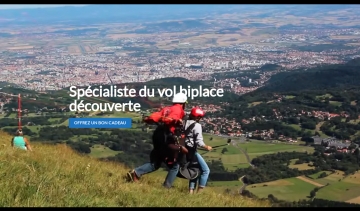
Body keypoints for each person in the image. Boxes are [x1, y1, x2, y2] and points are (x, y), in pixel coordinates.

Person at [127, 92, 188, 188]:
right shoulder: (178, 109)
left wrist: (147, 119)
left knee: (156, 162)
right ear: (183, 103)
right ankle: (166, 187)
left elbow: (155, 116)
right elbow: (173, 118)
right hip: (167, 138)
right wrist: (176, 121)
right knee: (175, 165)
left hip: (158, 136)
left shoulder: (167, 109)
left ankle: (136, 173)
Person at [183, 107, 212, 194]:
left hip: (184, 149)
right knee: (206, 170)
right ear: (198, 117)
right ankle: (199, 194)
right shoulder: (197, 125)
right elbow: (199, 141)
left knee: (195, 169)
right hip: (192, 151)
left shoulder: (184, 122)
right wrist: (206, 147)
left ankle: (191, 192)